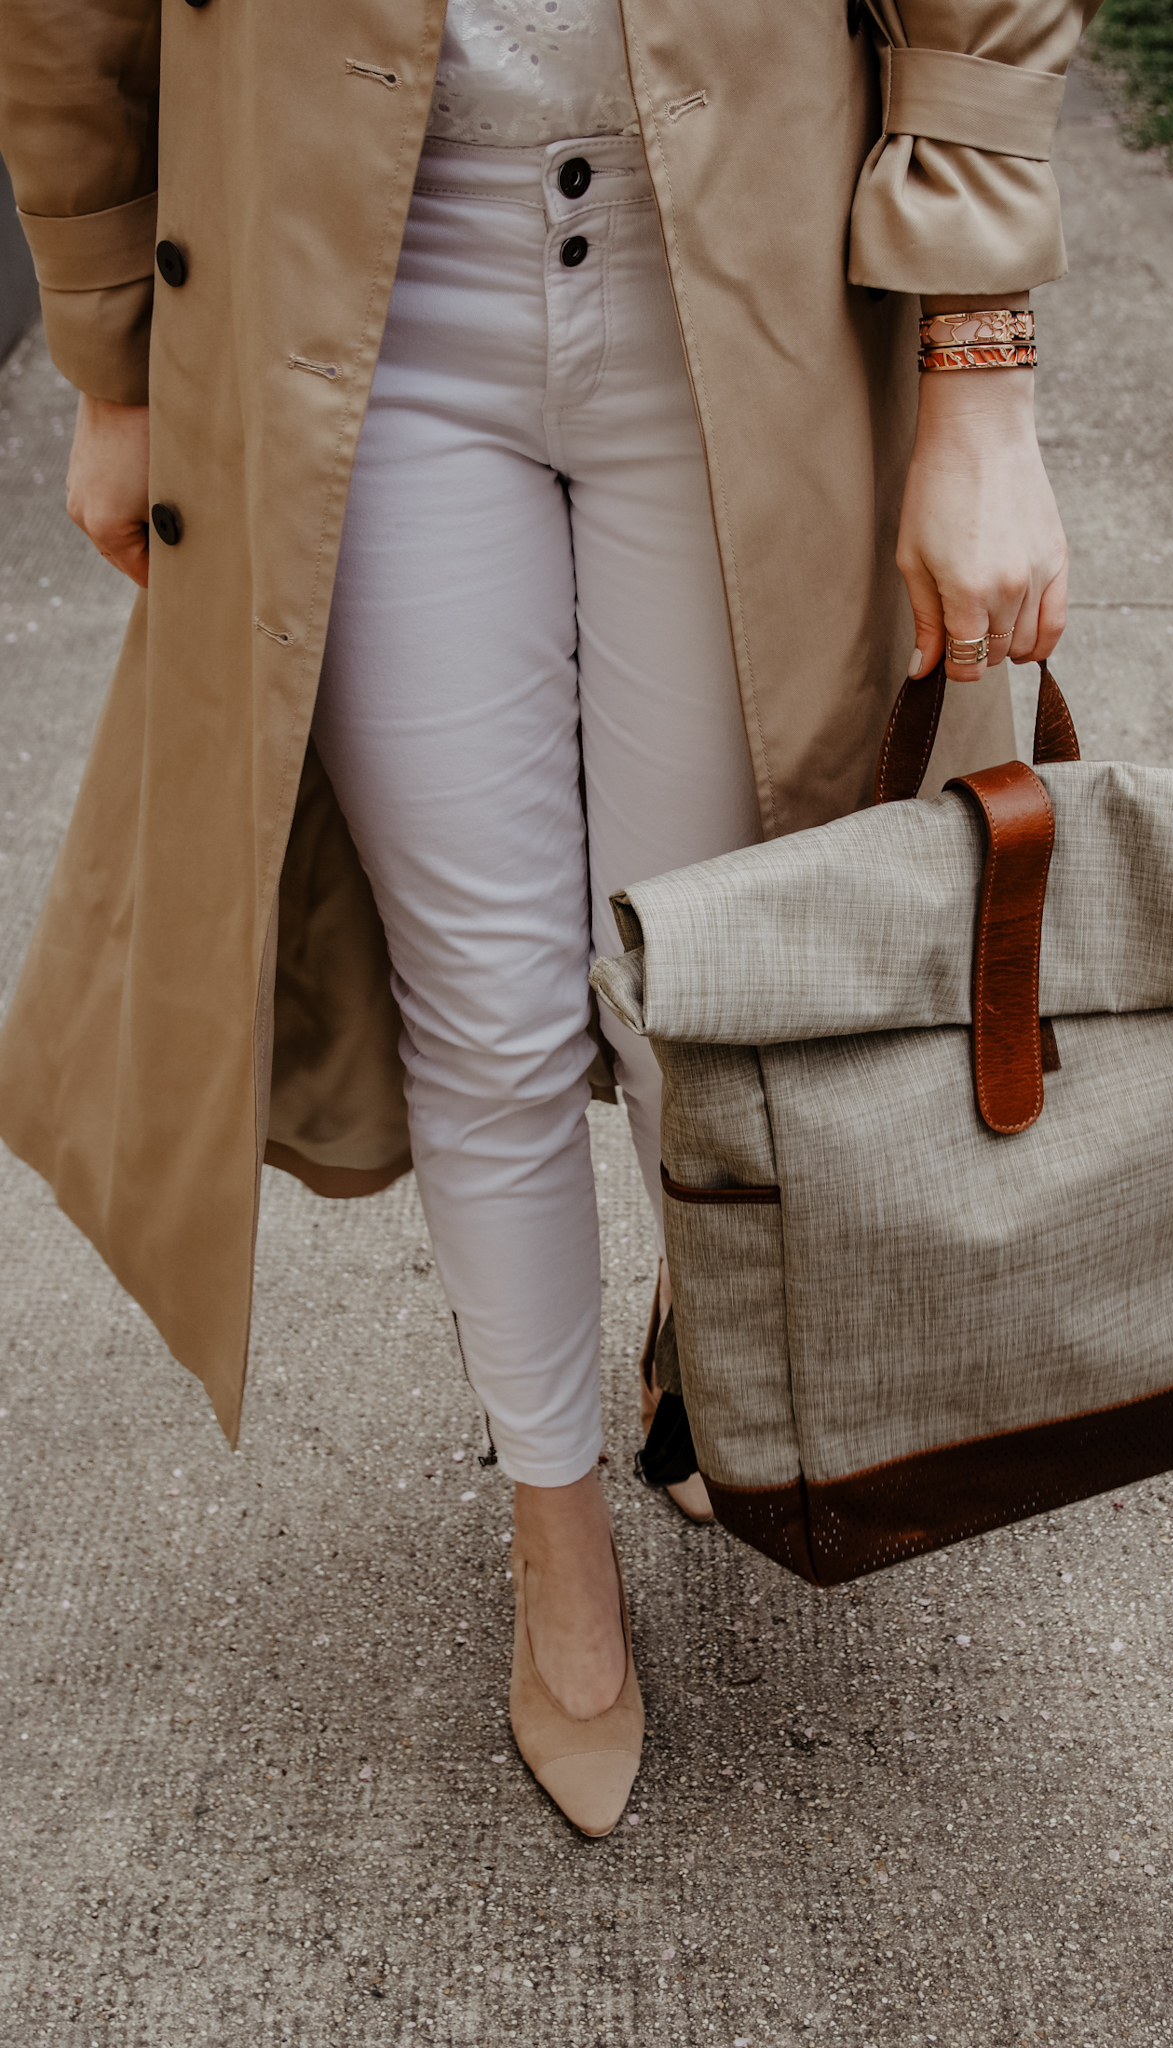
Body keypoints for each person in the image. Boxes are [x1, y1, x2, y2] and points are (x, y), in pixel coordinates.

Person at [0, 0, 1089, 1836]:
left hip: (745, 264)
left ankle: (698, 1346)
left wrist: (980, 370)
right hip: (367, 288)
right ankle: (557, 1537)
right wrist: (114, 354)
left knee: (710, 995)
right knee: (488, 1004)